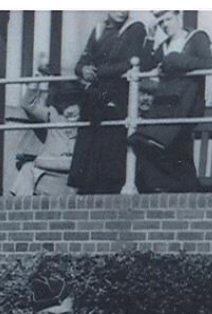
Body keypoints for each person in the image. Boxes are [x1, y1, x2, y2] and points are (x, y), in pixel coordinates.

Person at [132, 11, 212, 194]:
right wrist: (151, 38)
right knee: (156, 144)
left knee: (169, 143)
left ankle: (180, 189)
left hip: (187, 105)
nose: (165, 25)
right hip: (166, 105)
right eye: (161, 23)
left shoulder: (196, 37)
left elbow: (206, 64)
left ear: (179, 17)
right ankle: (180, 190)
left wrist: (172, 60)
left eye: (168, 19)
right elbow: (145, 68)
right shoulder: (164, 45)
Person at [68, 12, 149, 195]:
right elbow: (81, 62)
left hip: (119, 99)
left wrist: (97, 72)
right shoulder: (99, 29)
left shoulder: (136, 29)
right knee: (88, 158)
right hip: (96, 100)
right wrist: (84, 69)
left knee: (111, 162)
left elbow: (130, 62)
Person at [10, 79, 84, 198]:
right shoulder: (53, 115)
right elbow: (28, 105)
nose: (69, 110)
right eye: (65, 104)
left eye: (73, 103)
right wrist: (35, 83)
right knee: (27, 170)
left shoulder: (87, 120)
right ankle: (21, 208)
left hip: (72, 175)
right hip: (50, 173)